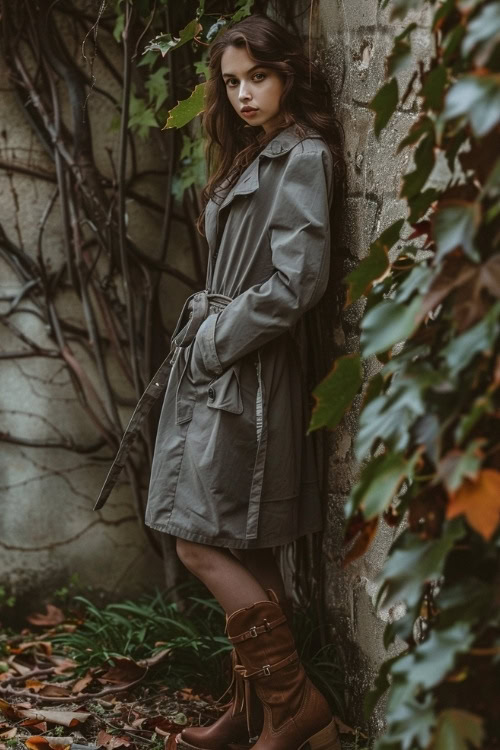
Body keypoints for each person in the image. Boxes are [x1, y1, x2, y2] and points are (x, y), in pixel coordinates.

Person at [95, 12, 345, 750]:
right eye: (232, 81)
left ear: (289, 75)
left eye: (257, 77)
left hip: (249, 368)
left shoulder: (301, 156)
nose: (243, 93)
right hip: (231, 359)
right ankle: (258, 711)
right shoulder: (254, 153)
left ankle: (298, 706)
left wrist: (212, 342)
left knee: (198, 543)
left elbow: (298, 279)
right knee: (251, 545)